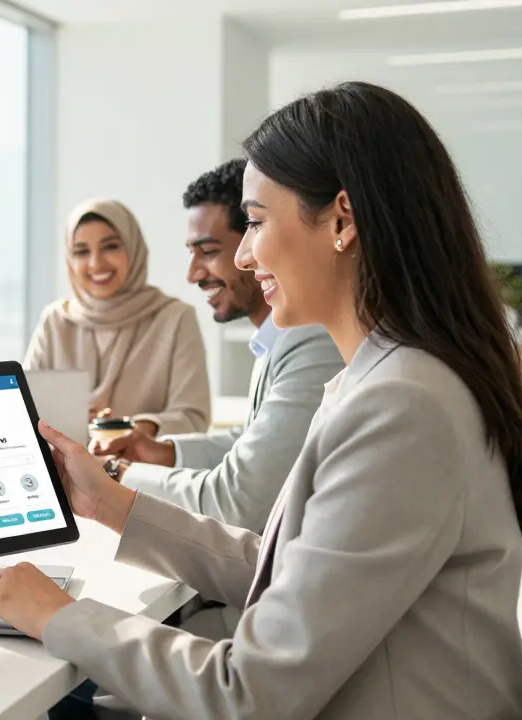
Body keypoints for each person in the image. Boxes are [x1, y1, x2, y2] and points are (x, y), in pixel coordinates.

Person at [0, 83, 522, 718]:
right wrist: (111, 503)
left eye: (254, 221)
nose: (244, 254)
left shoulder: (403, 407)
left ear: (342, 219)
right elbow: (293, 573)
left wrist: (64, 616)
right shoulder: (394, 377)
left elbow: (251, 693)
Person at [95, 160, 344, 537]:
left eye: (208, 251)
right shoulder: (276, 337)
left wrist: (117, 475)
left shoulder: (314, 338)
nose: (192, 274)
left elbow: (237, 503)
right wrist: (166, 453)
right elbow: (256, 440)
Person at [24, 199, 209, 436]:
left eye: (110, 246)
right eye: (81, 251)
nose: (96, 263)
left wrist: (132, 431)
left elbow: (193, 418)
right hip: (61, 470)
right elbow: (25, 409)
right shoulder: (56, 321)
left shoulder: (174, 318)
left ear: (133, 248)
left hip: (142, 471)